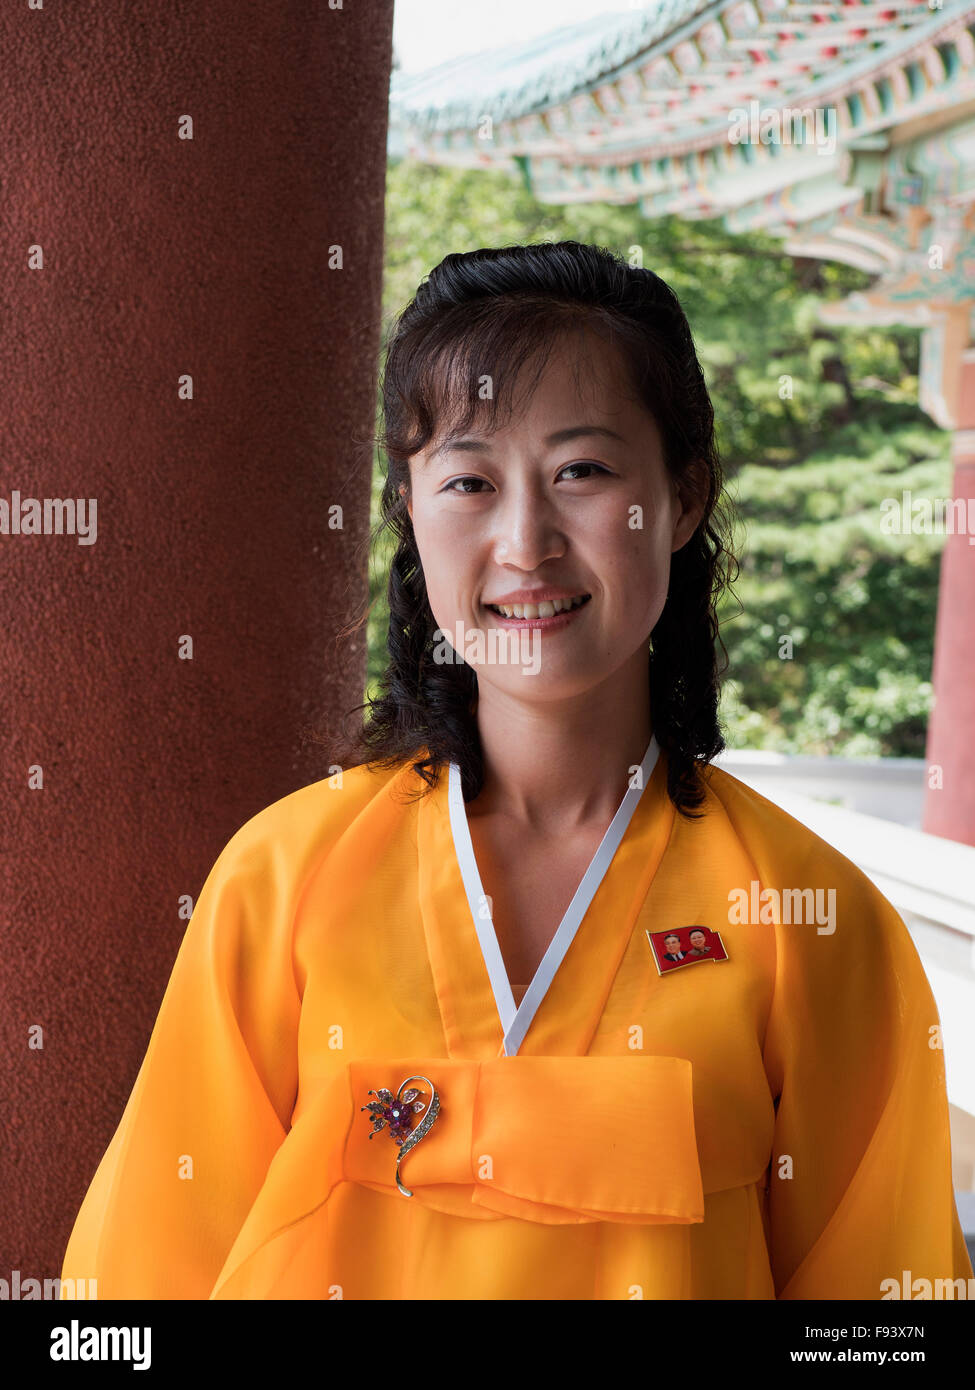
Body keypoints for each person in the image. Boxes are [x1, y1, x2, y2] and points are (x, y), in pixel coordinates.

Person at [60, 240, 973, 1300]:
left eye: (581, 470)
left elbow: (882, 1316)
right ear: (410, 510)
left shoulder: (810, 919)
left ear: (682, 499)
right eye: (470, 481)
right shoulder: (284, 879)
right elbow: (140, 1282)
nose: (525, 541)